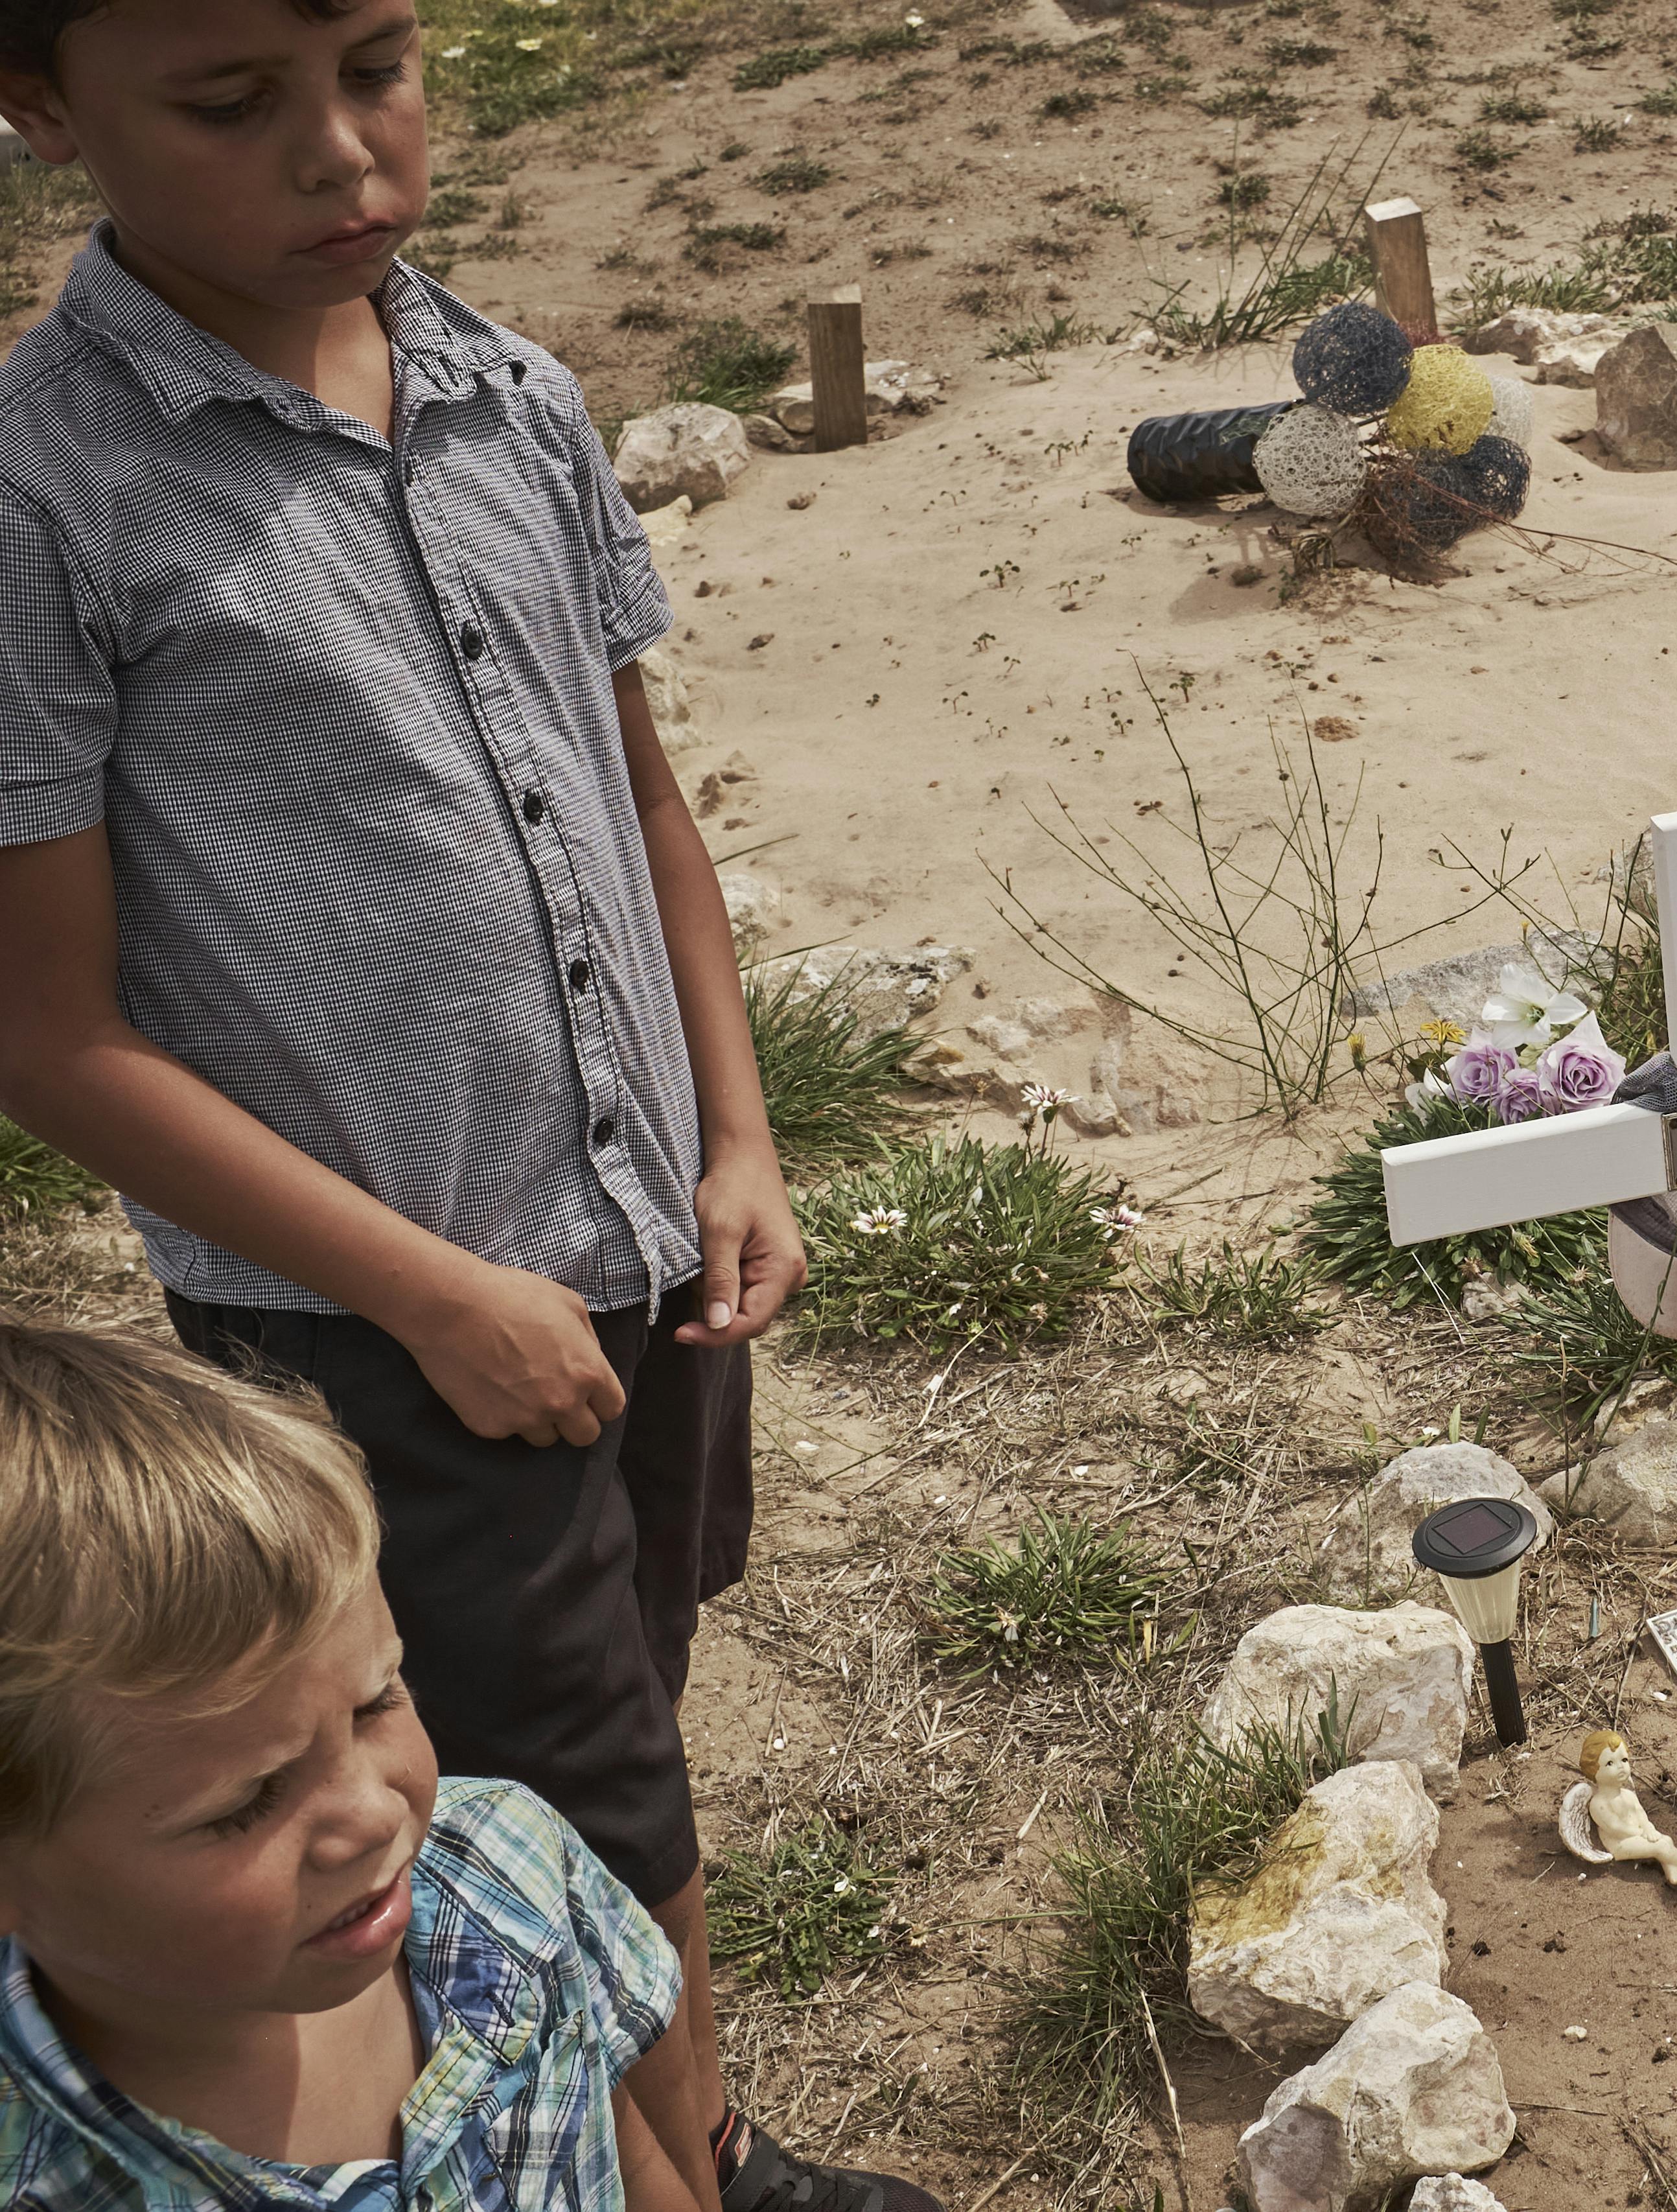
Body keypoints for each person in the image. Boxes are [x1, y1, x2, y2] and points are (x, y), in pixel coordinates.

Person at [0, 9, 925, 2206]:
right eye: (231, 105)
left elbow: (646, 797)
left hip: (641, 1251)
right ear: (39, 108)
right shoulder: (45, 496)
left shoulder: (510, 391)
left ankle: (615, 2117)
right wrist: (430, 1302)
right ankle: (670, 2155)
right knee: (555, 1786)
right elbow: (46, 1032)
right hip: (380, 1328)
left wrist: (740, 1132)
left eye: (381, 61)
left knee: (610, 1713)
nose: (340, 151)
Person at [0, 1320, 698, 2203]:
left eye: (377, 1702)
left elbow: (623, 2129)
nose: (374, 1813)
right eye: (247, 1799)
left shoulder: (504, 1862)